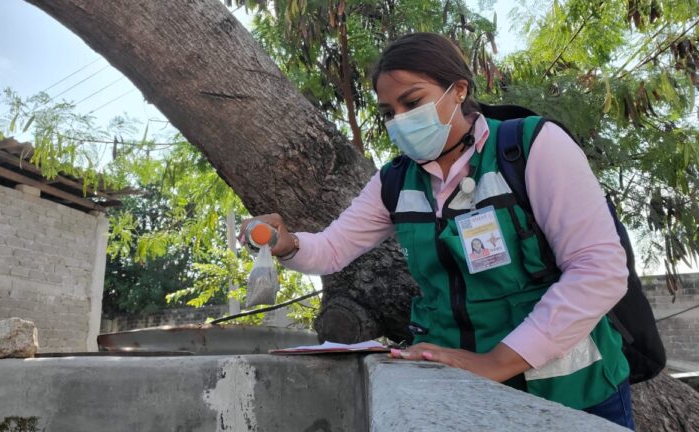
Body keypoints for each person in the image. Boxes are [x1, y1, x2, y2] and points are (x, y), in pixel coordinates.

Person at [240, 33, 634, 429]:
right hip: (462, 393)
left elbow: (598, 270)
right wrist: (286, 243)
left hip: (572, 393)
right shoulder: (395, 181)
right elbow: (332, 248)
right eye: (388, 112)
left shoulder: (530, 147)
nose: (400, 120)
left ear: (458, 90)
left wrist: (495, 363)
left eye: (412, 102)